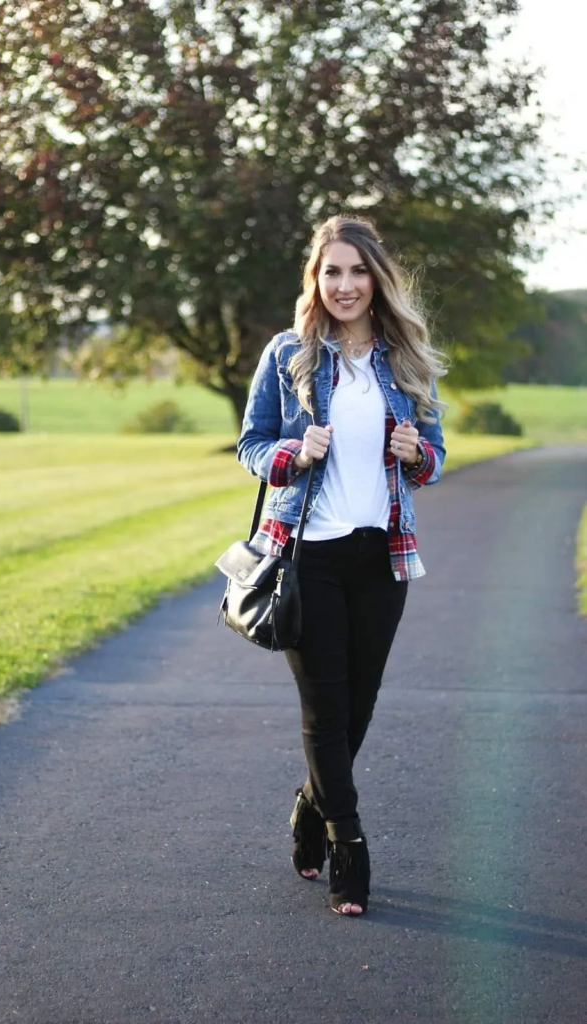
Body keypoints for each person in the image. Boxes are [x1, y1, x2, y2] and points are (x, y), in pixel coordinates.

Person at [236, 215, 446, 917]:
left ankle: (309, 804)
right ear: (315, 279)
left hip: (381, 555)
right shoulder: (287, 353)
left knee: (359, 706)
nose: (345, 285)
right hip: (309, 556)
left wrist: (418, 455)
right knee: (326, 708)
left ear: (377, 279)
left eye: (358, 271)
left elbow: (435, 460)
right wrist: (292, 455)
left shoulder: (406, 358)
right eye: (332, 271)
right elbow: (252, 445)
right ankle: (347, 845)